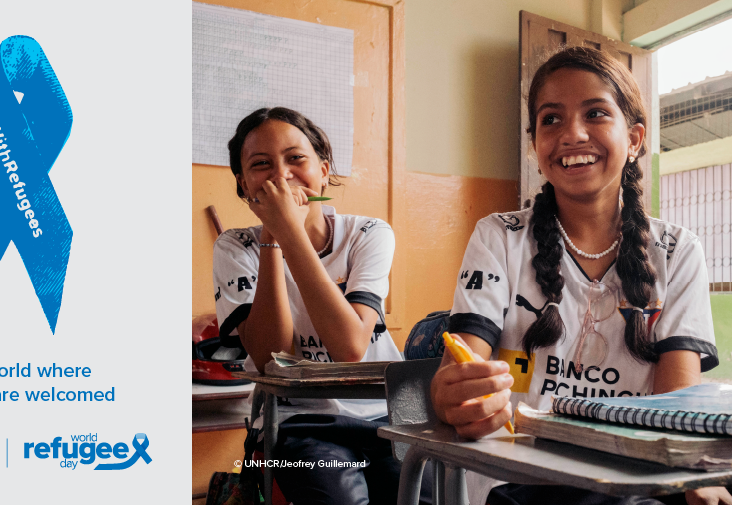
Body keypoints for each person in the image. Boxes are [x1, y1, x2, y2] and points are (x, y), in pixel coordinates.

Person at [431, 47, 727, 505]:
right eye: (551, 119)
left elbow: (677, 415)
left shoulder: (678, 250)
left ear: (634, 138)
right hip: (516, 479)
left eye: (595, 113)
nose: (572, 134)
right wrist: (455, 396)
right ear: (535, 144)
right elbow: (462, 365)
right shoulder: (499, 237)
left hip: (629, 483)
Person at [213, 107, 430, 504]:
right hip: (297, 421)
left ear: (324, 170)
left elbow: (349, 347)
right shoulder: (235, 246)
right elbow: (269, 356)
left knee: (426, 496)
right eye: (261, 165)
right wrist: (274, 237)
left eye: (296, 158)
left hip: (395, 408)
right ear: (244, 186)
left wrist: (288, 229)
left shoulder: (369, 233)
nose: (280, 175)